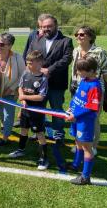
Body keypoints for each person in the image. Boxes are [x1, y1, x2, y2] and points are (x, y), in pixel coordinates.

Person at [27, 13, 73, 170]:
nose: (46, 29)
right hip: (38, 83)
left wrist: (49, 70)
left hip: (56, 84)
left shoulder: (66, 41)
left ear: (56, 26)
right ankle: (38, 131)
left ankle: (58, 134)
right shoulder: (37, 40)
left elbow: (66, 59)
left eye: (49, 26)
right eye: (43, 27)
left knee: (56, 109)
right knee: (38, 109)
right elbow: (31, 57)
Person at [71, 26, 107, 155]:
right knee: (77, 116)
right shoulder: (76, 50)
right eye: (77, 34)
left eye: (81, 34)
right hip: (77, 88)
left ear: (90, 36)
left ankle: (92, 146)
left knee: (93, 118)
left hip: (93, 90)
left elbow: (105, 72)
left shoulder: (100, 52)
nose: (78, 37)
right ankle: (79, 145)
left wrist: (100, 87)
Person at [8, 50, 49, 170]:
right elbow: (20, 88)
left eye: (31, 63)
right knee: (23, 129)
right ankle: (20, 150)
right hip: (25, 110)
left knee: (39, 133)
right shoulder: (25, 74)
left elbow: (41, 97)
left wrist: (24, 97)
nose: (28, 65)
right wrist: (23, 100)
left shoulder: (43, 79)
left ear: (39, 63)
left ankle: (44, 158)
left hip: (37, 112)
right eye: (27, 63)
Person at [66, 57, 101, 185]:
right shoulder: (84, 80)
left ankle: (85, 177)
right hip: (76, 118)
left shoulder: (94, 86)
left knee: (87, 147)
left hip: (84, 121)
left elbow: (92, 108)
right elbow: (77, 97)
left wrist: (76, 116)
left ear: (91, 70)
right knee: (77, 142)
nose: (78, 73)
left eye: (81, 70)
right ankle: (76, 164)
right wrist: (71, 106)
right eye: (78, 69)